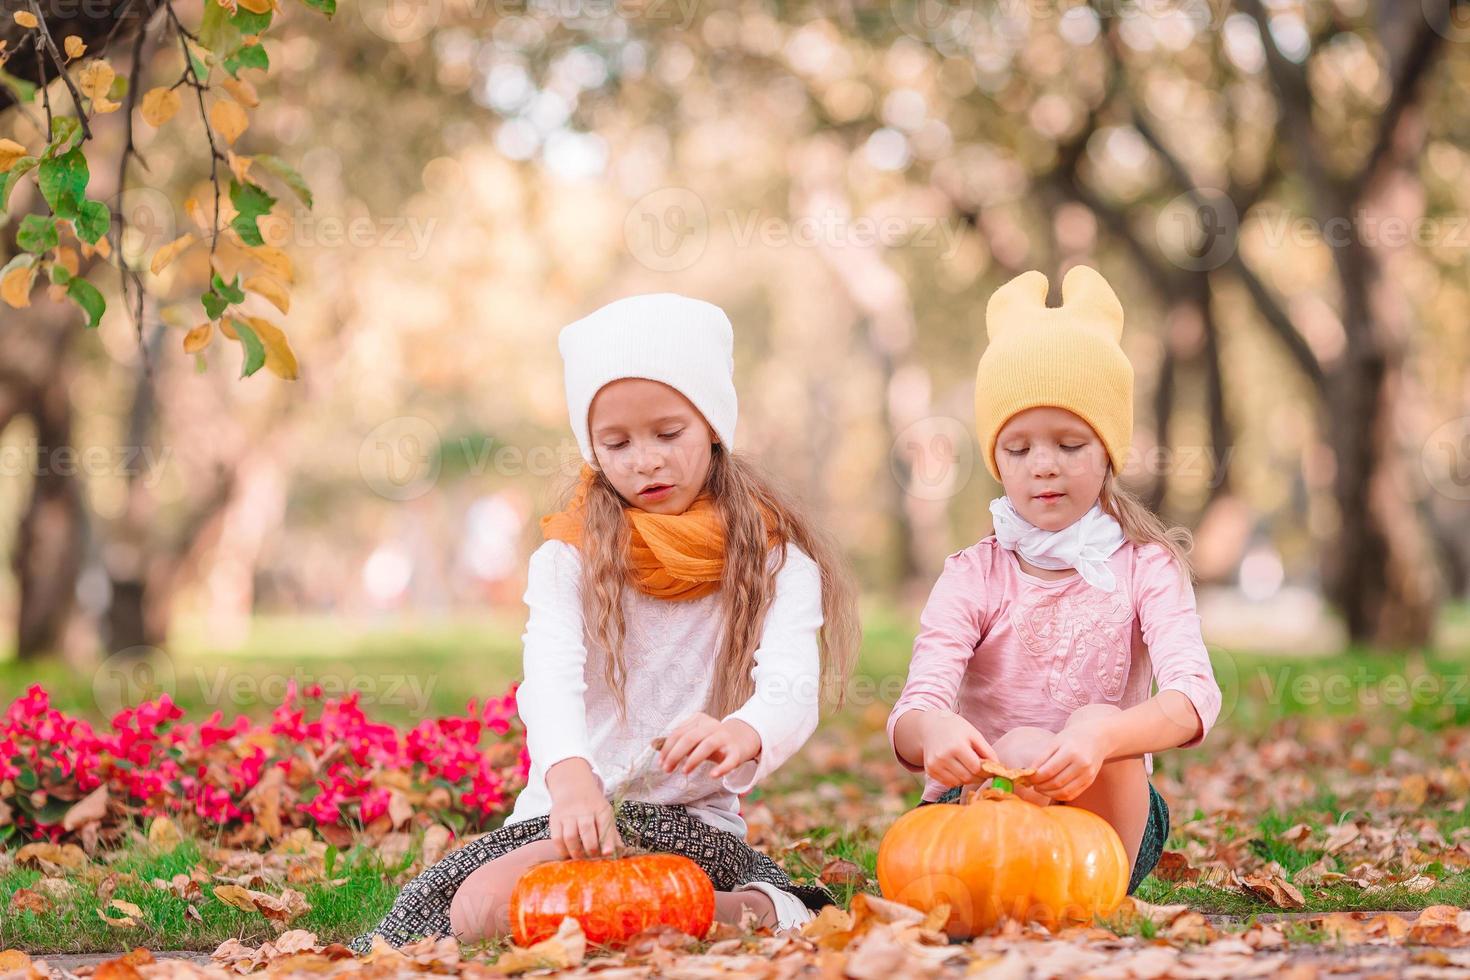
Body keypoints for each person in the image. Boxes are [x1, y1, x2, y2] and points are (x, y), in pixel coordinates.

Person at [349, 293, 859, 951]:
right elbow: (549, 677)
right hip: (565, 810)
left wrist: (744, 730)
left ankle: (750, 908)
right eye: (615, 442)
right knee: (473, 912)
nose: (643, 460)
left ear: (712, 424)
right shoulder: (571, 554)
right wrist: (570, 778)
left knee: (500, 909)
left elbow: (792, 684)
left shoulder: (773, 559)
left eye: (667, 434)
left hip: (687, 821)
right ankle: (713, 913)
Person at [887, 265, 1224, 896]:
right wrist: (932, 731)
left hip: (1107, 825)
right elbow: (913, 711)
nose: (1044, 465)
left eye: (1070, 445)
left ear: (1108, 452)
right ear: (996, 459)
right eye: (1019, 449)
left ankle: (1088, 894)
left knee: (1093, 718)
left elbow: (1195, 698)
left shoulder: (1146, 566)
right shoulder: (972, 574)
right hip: (979, 814)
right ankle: (1005, 889)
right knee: (1014, 745)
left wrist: (1103, 734)